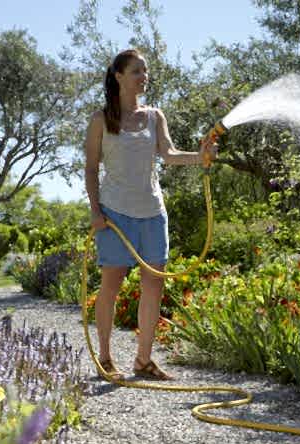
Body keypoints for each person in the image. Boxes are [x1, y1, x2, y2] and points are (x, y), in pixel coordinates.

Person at [84, 48, 217, 381]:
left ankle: (143, 361)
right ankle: (105, 357)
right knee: (110, 286)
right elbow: (90, 168)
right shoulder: (101, 119)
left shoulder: (155, 116)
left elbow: (169, 155)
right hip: (114, 214)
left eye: (145, 72)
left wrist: (199, 157)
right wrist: (95, 210)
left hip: (152, 213)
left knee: (153, 286)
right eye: (137, 72)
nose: (144, 77)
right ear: (118, 76)